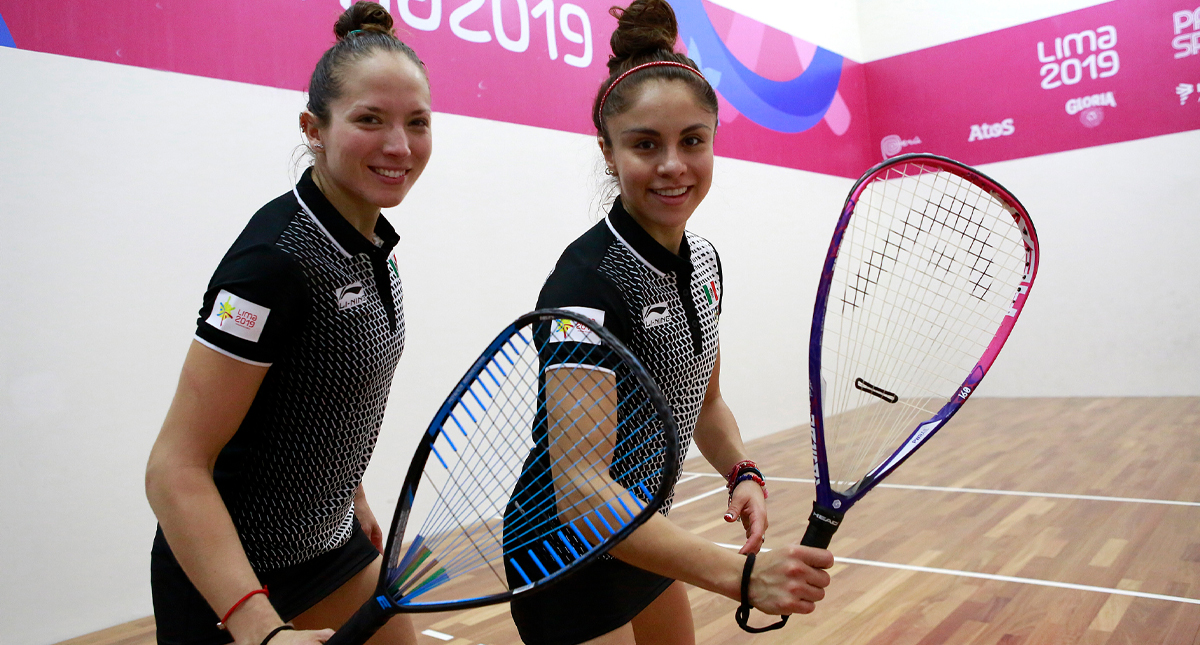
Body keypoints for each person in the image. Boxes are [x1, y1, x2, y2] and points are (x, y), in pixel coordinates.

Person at [505, 1, 834, 644]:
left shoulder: (702, 261)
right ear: (608, 151)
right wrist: (741, 579)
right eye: (645, 144)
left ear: (713, 140)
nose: (673, 165)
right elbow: (579, 486)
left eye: (692, 141)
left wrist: (741, 471)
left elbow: (702, 402)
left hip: (642, 533)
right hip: (563, 552)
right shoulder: (587, 282)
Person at [144, 3, 429, 644]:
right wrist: (260, 629)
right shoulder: (273, 262)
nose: (399, 146)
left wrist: (348, 494)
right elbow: (174, 468)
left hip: (333, 545)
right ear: (313, 128)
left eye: (417, 122)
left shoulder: (370, 245)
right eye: (369, 120)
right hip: (231, 581)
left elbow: (315, 395)